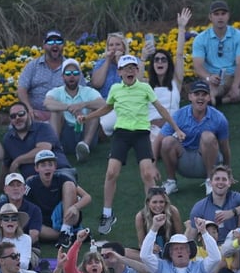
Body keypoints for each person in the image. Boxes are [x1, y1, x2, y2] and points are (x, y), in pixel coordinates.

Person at [79, 56, 188, 235]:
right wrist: (88, 117)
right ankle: (107, 214)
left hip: (141, 134)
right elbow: (107, 108)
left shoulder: (145, 88)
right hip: (121, 134)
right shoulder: (115, 89)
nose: (129, 71)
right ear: (119, 72)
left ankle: (155, 214)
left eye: (133, 68)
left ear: (137, 71)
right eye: (126, 68)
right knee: (111, 172)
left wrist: (176, 128)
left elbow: (161, 109)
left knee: (147, 173)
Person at [159, 81, 232, 189]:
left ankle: (210, 180)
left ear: (209, 97)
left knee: (207, 137)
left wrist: (228, 171)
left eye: (204, 94)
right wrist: (152, 164)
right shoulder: (179, 115)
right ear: (190, 97)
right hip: (184, 160)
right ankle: (171, 181)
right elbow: (160, 138)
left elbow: (225, 147)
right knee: (167, 141)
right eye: (197, 94)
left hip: (210, 160)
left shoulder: (219, 118)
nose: (200, 98)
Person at [191, 1, 240, 106]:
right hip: (213, 78)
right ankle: (221, 98)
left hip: (233, 76)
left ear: (228, 16)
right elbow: (198, 66)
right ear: (210, 17)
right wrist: (209, 77)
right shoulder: (200, 39)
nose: (220, 17)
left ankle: (220, 101)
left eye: (223, 14)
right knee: (207, 93)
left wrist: (236, 85)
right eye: (216, 14)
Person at [43, 58, 104, 158]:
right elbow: (47, 103)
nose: (72, 76)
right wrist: (69, 108)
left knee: (94, 110)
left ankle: (84, 147)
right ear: (62, 76)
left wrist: (83, 105)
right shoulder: (56, 91)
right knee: (55, 112)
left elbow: (102, 104)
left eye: (75, 73)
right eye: (68, 73)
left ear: (80, 76)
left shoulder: (88, 91)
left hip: (85, 131)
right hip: (66, 133)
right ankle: (56, 147)